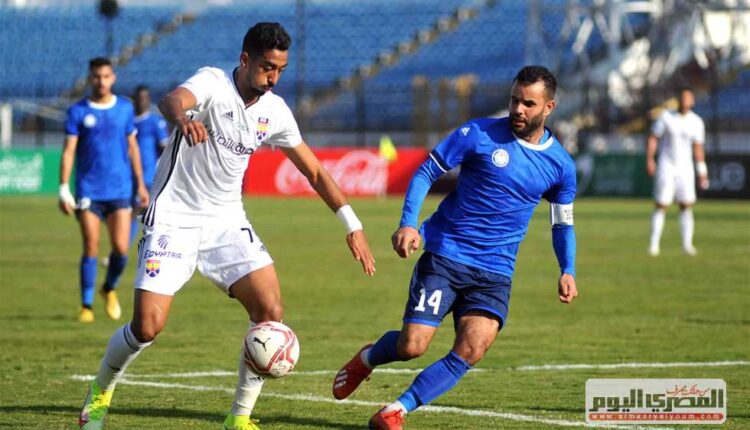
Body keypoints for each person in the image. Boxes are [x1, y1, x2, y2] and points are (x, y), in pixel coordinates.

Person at [78, 22, 376, 430]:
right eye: (267, 67)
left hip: (226, 221)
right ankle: (100, 392)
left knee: (270, 311)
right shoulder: (213, 83)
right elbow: (172, 100)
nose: (273, 78)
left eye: (281, 70)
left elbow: (315, 172)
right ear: (245, 59)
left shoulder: (274, 111)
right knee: (147, 327)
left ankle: (238, 418)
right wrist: (183, 119)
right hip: (174, 218)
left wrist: (351, 224)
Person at [332, 66, 579, 429]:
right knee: (412, 346)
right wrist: (409, 223)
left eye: (528, 103)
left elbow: (562, 223)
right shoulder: (478, 133)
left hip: (496, 272)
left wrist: (567, 269)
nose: (518, 109)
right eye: (514, 100)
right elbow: (425, 172)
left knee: (472, 348)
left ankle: (395, 411)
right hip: (447, 256)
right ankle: (368, 358)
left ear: (549, 107)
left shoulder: (560, 165)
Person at [59, 57, 150, 324]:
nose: (101, 81)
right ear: (90, 79)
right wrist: (63, 187)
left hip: (120, 189)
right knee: (91, 246)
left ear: (113, 78)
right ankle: (86, 306)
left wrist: (140, 184)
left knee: (121, 249)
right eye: (97, 77)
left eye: (106, 76)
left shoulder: (124, 108)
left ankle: (108, 288)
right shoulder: (77, 111)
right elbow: (69, 151)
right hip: (89, 189)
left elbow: (132, 148)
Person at [646, 86, 708, 256]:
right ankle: (653, 245)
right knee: (661, 204)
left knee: (686, 205)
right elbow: (653, 138)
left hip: (685, 168)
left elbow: (698, 148)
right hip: (667, 165)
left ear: (692, 101)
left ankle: (687, 245)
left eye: (687, 98)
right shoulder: (666, 117)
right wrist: (650, 159)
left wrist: (702, 171)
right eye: (682, 98)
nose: (684, 101)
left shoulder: (696, 122)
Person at [130, 85, 170, 245]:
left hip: (148, 176)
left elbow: (164, 147)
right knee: (133, 213)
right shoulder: (128, 121)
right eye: (139, 98)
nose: (142, 101)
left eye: (145, 98)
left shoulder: (155, 122)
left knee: (138, 211)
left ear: (149, 100)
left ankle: (122, 251)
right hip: (127, 176)